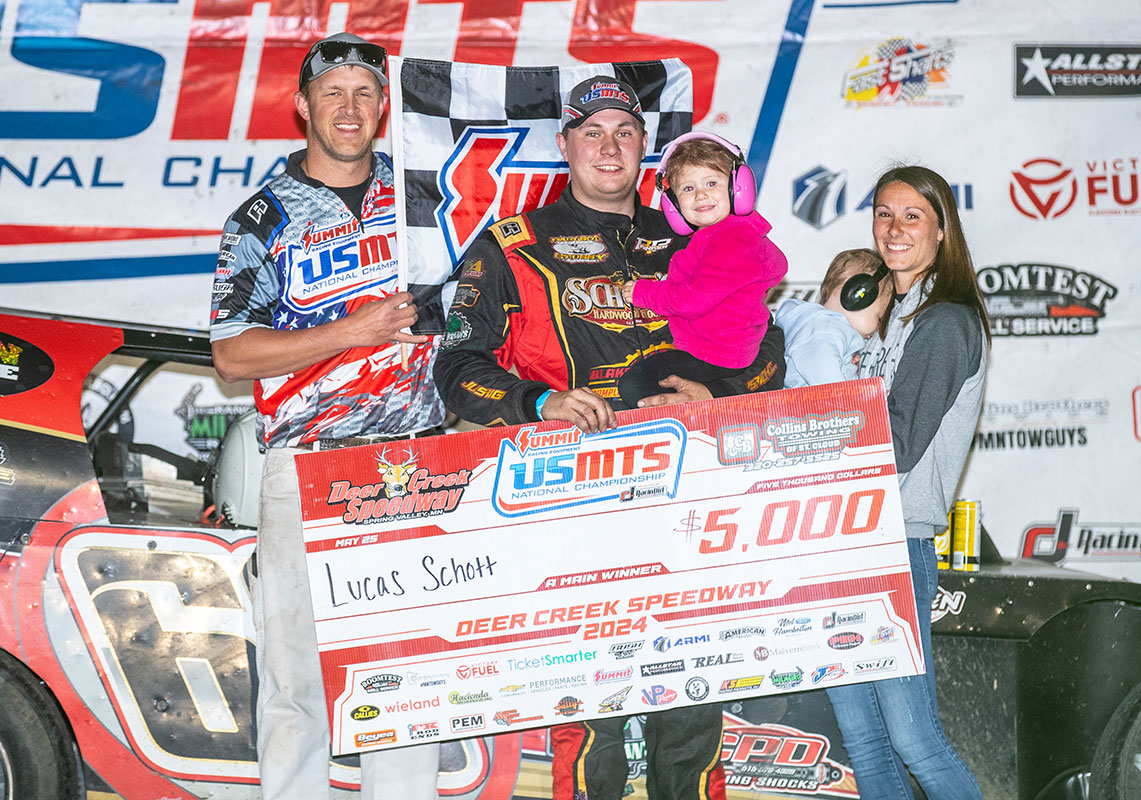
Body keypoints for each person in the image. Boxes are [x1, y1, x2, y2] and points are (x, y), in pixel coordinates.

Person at [433, 75, 786, 800]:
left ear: (646, 148)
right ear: (564, 146)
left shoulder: (697, 233)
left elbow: (769, 346)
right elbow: (457, 366)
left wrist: (718, 391)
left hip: (692, 496)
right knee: (588, 707)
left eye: (625, 131)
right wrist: (538, 401)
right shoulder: (513, 244)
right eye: (591, 131)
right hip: (573, 501)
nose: (609, 145)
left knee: (694, 695)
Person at [208, 33, 442, 800]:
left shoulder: (426, 199)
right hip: (305, 465)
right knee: (295, 678)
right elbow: (233, 356)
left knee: (403, 675)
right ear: (303, 106)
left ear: (385, 107)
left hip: (417, 459)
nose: (351, 107)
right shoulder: (262, 215)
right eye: (334, 92)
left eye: (366, 93)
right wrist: (352, 331)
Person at [824, 165, 987, 800]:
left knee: (913, 737)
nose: (893, 230)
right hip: (843, 535)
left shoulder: (944, 321)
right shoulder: (888, 317)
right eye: (883, 215)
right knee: (864, 739)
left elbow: (893, 444)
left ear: (942, 232)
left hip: (891, 541)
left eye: (911, 216)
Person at [616, 132, 787, 406]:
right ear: (673, 203)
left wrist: (643, 292)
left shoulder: (731, 237)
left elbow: (693, 299)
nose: (701, 195)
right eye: (688, 189)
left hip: (716, 355)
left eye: (711, 182)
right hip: (718, 351)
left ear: (737, 188)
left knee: (636, 384)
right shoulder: (727, 234)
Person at [775, 248, 893, 388]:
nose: (878, 328)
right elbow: (829, 388)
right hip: (818, 409)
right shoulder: (825, 330)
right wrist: (851, 405)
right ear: (858, 297)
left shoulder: (825, 331)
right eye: (879, 318)